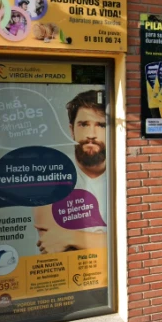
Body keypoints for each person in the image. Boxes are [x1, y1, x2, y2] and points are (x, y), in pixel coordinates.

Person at [34, 90, 108, 254]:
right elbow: (52, 244)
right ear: (72, 129)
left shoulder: (124, 172)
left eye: (101, 125)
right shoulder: (51, 174)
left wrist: (70, 236)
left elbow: (133, 238)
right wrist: (104, 239)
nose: (91, 135)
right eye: (83, 125)